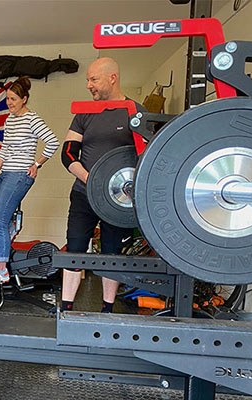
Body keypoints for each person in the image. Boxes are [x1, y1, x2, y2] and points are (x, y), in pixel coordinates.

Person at [60, 57, 144, 313]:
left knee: (112, 253)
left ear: (112, 78)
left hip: (118, 200)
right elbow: (68, 153)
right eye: (87, 79)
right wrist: (91, 180)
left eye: (93, 79)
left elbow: (146, 157)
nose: (88, 85)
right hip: (83, 193)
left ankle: (107, 310)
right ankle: (66, 308)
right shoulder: (85, 111)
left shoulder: (134, 111)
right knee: (74, 248)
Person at [0, 76, 60, 283]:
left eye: (13, 99)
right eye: (8, 99)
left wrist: (37, 164)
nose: (9, 103)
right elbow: (4, 150)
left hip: (20, 176)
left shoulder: (32, 119)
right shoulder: (9, 120)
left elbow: (53, 142)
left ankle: (1, 268)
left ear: (24, 99)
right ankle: (8, 217)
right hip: (5, 174)